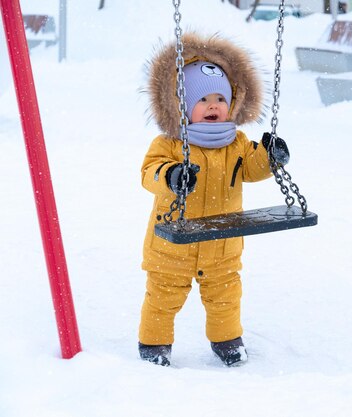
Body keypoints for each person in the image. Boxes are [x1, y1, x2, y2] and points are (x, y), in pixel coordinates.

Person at [138, 33, 289, 367]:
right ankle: (154, 345)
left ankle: (228, 342)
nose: (213, 105)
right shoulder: (170, 144)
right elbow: (149, 172)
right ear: (181, 104)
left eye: (220, 98)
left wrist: (271, 156)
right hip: (172, 245)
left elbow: (252, 166)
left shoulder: (236, 143)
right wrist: (172, 176)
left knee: (225, 297)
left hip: (222, 244)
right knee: (163, 297)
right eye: (202, 98)